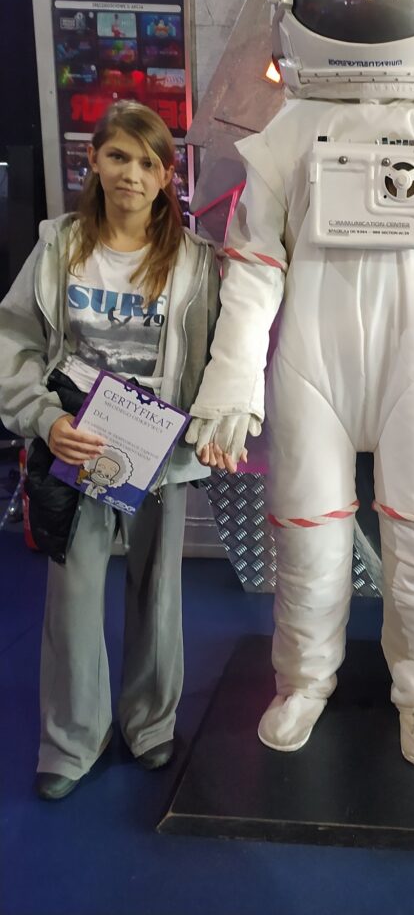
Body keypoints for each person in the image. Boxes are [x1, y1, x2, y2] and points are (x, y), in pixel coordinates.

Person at [186, 0, 414, 767]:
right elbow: (255, 264)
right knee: (308, 532)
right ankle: (304, 679)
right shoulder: (290, 130)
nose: (368, 5)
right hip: (314, 367)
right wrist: (232, 380)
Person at [0, 101, 219, 800]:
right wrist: (43, 419)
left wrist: (217, 427)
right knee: (72, 595)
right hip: (77, 440)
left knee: (157, 591)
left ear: (166, 176)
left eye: (148, 162)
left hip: (158, 445)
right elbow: (15, 343)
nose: (132, 173)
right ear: (92, 159)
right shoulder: (58, 248)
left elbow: (221, 358)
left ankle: (150, 725)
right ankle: (72, 739)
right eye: (118, 156)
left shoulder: (194, 260)